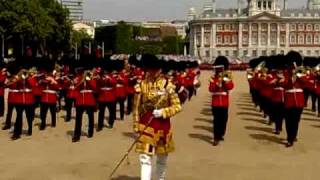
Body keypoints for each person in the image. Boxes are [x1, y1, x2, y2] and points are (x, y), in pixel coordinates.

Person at [132, 54, 182, 180]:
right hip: (146, 125)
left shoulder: (168, 86)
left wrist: (163, 112)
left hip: (162, 126)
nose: (152, 72)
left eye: (155, 69)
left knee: (161, 159)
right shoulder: (142, 85)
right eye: (150, 69)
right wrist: (136, 126)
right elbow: (136, 108)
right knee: (145, 159)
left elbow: (177, 106)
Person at [209, 56, 234, 146]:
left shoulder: (226, 76)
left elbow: (231, 86)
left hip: (224, 102)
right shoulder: (213, 78)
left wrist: (224, 81)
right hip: (215, 102)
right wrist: (216, 84)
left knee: (224, 120)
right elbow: (211, 89)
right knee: (216, 120)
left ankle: (221, 133)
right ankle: (216, 137)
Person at [283, 51, 306, 147]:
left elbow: (306, 83)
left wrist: (299, 74)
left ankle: (294, 135)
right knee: (289, 120)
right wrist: (292, 76)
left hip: (299, 101)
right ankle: (289, 138)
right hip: (289, 100)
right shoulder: (285, 73)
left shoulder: (301, 73)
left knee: (296, 120)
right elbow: (285, 84)